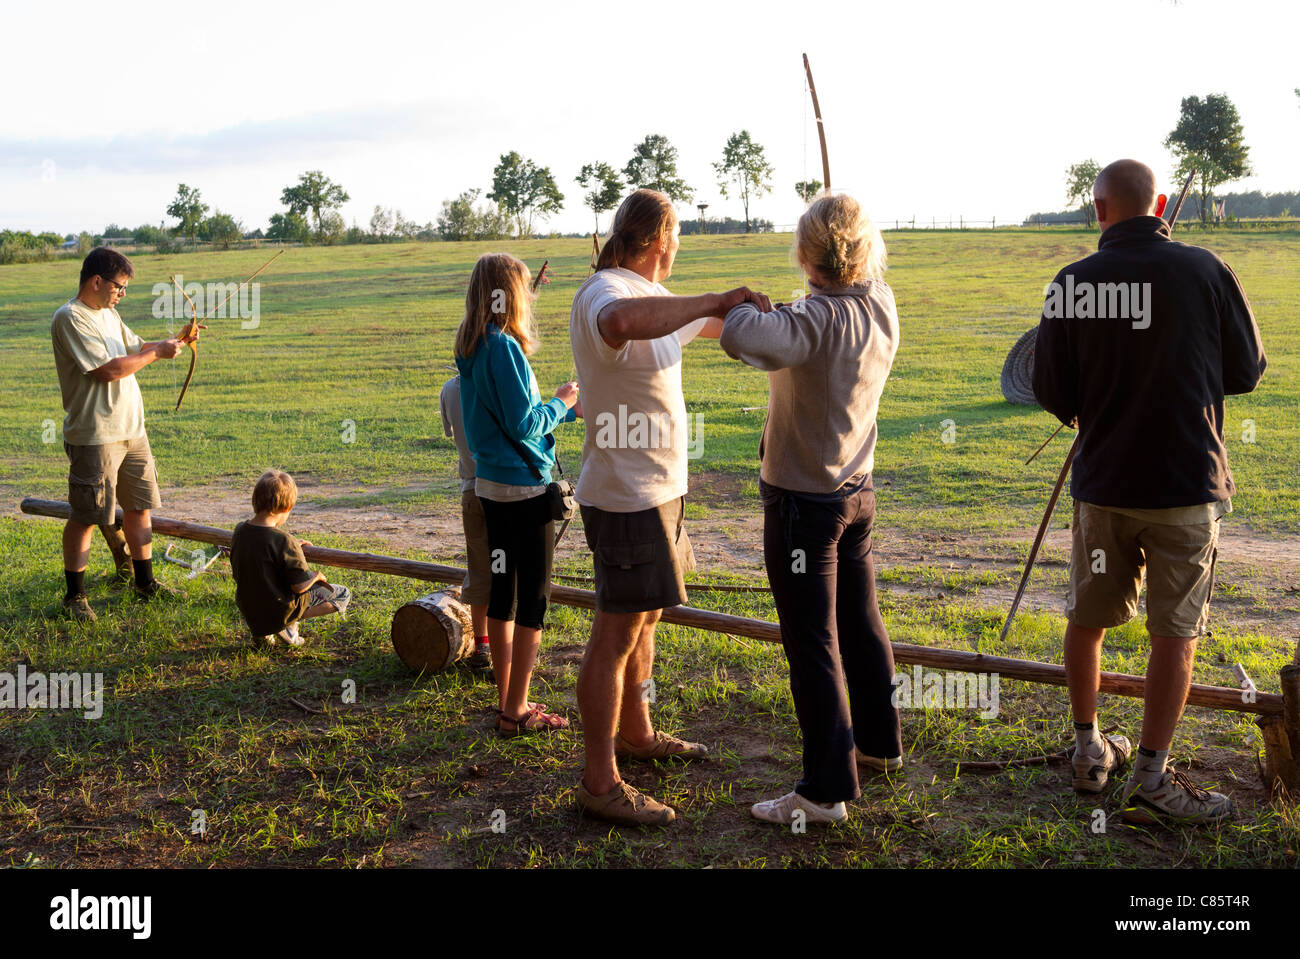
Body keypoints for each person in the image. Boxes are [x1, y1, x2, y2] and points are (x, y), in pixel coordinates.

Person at [1033, 158, 1266, 825]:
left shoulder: (1071, 282)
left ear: (1099, 210)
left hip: (1104, 487)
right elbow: (1245, 370)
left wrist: (1091, 403)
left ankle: (1087, 752)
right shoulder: (1205, 269)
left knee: (1089, 615)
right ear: (1159, 204)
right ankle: (1151, 776)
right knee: (1176, 632)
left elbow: (1049, 388)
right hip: (1185, 487)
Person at [569, 189, 769, 825]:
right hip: (626, 497)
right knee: (616, 632)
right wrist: (715, 298)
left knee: (646, 618)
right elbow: (623, 325)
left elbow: (707, 325)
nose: (680, 247)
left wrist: (782, 319)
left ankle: (638, 733)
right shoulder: (607, 292)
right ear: (660, 239)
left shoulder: (649, 298)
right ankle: (599, 783)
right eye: (678, 236)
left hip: (658, 491)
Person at [720, 193, 902, 825]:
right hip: (857, 495)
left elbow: (743, 338)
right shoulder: (880, 303)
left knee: (812, 640)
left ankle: (825, 791)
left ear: (806, 255)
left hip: (806, 505)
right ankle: (878, 742)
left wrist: (749, 305)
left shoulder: (814, 320)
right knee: (859, 619)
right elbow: (817, 313)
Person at [454, 253, 578, 735]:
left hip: (490, 488)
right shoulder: (503, 347)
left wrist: (561, 410)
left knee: (502, 595)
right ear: (508, 293)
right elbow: (525, 423)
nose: (530, 296)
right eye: (524, 287)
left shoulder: (471, 347)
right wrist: (562, 402)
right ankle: (517, 709)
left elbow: (504, 419)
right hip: (524, 493)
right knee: (534, 602)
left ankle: (508, 703)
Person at [51, 247, 197, 621]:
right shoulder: (70, 318)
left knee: (139, 507)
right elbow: (109, 370)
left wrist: (176, 343)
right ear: (96, 281)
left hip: (133, 430)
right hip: (95, 435)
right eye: (120, 286)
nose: (123, 293)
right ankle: (74, 597)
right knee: (86, 515)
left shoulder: (110, 315)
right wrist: (158, 354)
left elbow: (137, 349)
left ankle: (145, 584)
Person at [230, 469, 351, 647]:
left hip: (250, 607)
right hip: (279, 609)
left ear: (255, 500)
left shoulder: (240, 530)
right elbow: (299, 586)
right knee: (342, 594)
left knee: (266, 584)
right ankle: (287, 625)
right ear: (286, 508)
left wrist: (292, 545)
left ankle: (264, 634)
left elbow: (263, 552)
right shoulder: (284, 541)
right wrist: (316, 576)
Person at [439, 374, 492, 671]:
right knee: (509, 574)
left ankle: (482, 644)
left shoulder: (450, 388)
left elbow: (450, 432)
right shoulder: (498, 379)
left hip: (471, 488)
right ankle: (506, 647)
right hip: (506, 488)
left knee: (479, 568)